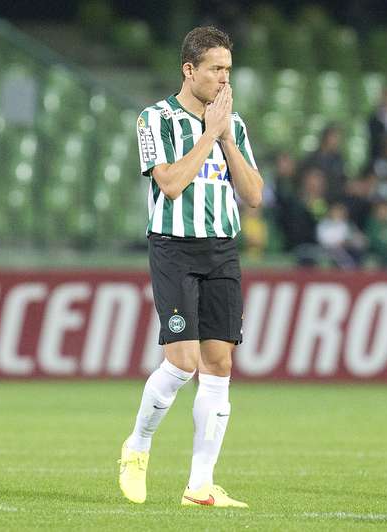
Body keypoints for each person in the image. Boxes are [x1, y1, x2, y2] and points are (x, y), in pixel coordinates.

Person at [121, 25, 262, 508]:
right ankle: (137, 446)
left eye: (228, 69)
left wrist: (227, 139)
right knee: (181, 361)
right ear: (189, 70)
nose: (225, 79)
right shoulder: (155, 119)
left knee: (219, 363)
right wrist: (209, 135)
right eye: (215, 69)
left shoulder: (235, 125)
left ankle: (200, 485)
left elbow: (255, 195)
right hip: (174, 247)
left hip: (222, 247)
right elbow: (172, 184)